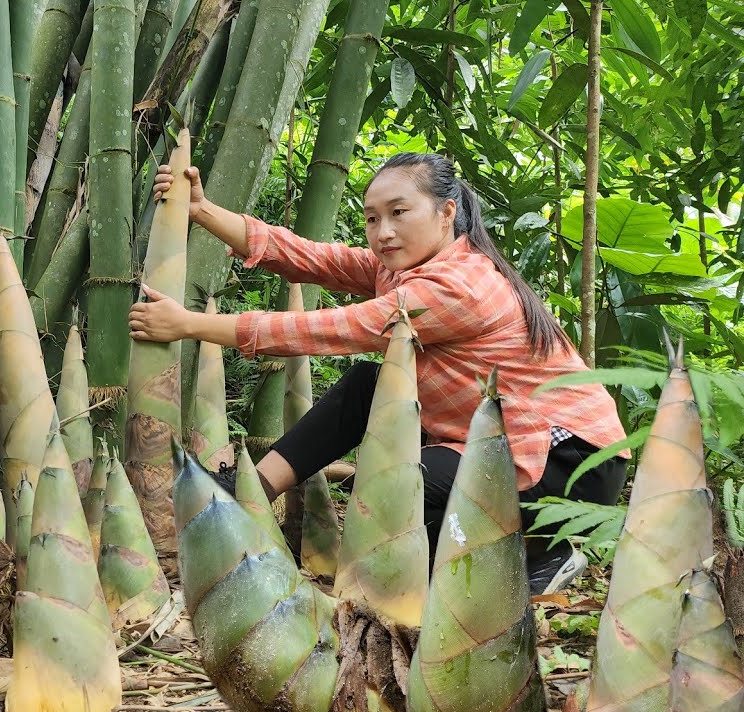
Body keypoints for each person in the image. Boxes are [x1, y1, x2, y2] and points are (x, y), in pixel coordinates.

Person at [128, 152, 628, 595]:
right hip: (503, 451)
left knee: (397, 497)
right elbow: (312, 257)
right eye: (372, 218)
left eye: (398, 213)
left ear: (446, 212)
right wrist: (203, 211)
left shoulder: (460, 286)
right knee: (367, 386)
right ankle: (250, 489)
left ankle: (536, 559)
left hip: (565, 468)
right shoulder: (405, 266)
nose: (383, 231)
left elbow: (338, 328)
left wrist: (190, 324)